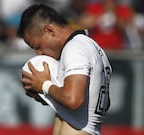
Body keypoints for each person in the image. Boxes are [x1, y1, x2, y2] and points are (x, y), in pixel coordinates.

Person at [18, 4, 112, 135]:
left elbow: (73, 100)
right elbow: (92, 104)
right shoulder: (90, 46)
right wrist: (47, 95)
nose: (39, 53)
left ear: (49, 31)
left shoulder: (75, 48)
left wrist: (44, 85)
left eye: (38, 46)